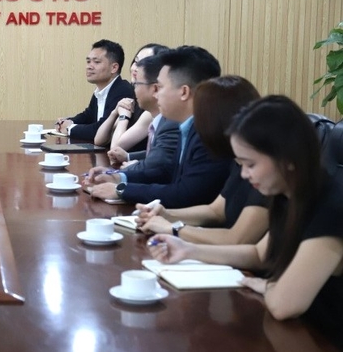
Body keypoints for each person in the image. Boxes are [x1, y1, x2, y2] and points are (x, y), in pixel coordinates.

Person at [148, 96, 343, 349]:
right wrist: (187, 249)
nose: (243, 174)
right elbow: (259, 254)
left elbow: (284, 305)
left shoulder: (331, 206)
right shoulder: (289, 195)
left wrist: (267, 285)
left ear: (288, 159)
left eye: (250, 164)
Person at [88, 46, 230, 208]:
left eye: (160, 88)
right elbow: (166, 172)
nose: (156, 94)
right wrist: (118, 178)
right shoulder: (188, 127)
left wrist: (121, 189)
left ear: (184, 92)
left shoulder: (208, 135)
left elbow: (184, 194)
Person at [135, 76, 269, 244]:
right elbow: (216, 211)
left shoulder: (264, 167)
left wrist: (173, 229)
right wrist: (167, 215)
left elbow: (236, 238)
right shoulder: (239, 160)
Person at [90, 54, 180, 183]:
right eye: (136, 61)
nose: (134, 88)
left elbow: (159, 166)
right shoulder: (156, 116)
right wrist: (128, 157)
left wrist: (120, 178)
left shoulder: (171, 123)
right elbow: (157, 154)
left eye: (137, 83)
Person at [94, 44, 169, 154]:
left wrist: (124, 116)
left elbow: (115, 149)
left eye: (144, 63)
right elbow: (99, 140)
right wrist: (114, 113)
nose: (136, 68)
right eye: (136, 61)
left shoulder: (153, 109)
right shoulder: (134, 99)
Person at [54, 39, 135, 142]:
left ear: (114, 68)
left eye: (96, 62)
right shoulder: (101, 90)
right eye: (88, 61)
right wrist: (68, 121)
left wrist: (69, 128)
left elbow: (100, 129)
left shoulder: (122, 91)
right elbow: (88, 115)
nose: (89, 66)